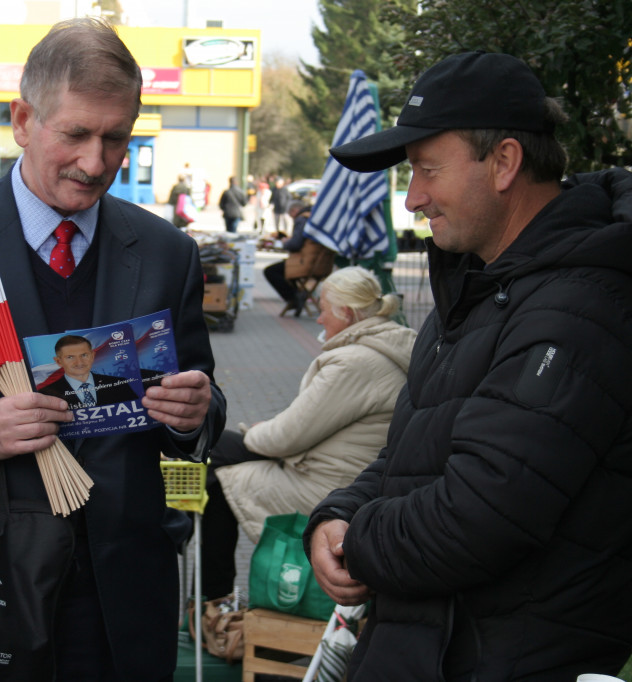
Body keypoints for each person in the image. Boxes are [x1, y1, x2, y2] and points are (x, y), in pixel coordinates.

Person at [0, 18, 226, 682]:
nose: (96, 163)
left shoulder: (166, 255)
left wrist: (194, 414)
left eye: (116, 138)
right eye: (75, 134)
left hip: (116, 607)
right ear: (21, 119)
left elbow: (202, 410)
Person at [305, 52, 632, 680]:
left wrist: (356, 541)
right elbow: (410, 455)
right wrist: (335, 513)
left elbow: (480, 515)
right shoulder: (484, 287)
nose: (412, 199)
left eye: (428, 170)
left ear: (505, 162)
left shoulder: (580, 306)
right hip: (427, 645)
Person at [199, 266, 414, 599]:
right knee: (212, 447)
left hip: (333, 487)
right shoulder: (385, 345)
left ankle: (211, 599)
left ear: (346, 313)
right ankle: (209, 595)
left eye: (323, 309)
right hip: (344, 472)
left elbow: (288, 436)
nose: (317, 318)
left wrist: (253, 432)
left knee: (215, 473)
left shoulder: (355, 363)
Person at [39, 335, 140, 408]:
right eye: (70, 357)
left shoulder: (120, 384)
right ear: (59, 361)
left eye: (84, 355)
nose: (79, 362)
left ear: (92, 356)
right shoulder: (46, 393)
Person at [262, 200, 312, 312]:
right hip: (312, 261)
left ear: (295, 210)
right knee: (282, 271)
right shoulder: (310, 217)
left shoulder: (302, 219)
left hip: (305, 262)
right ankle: (297, 296)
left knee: (270, 271)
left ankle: (294, 297)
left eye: (291, 215)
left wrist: (285, 242)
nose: (291, 218)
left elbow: (295, 244)